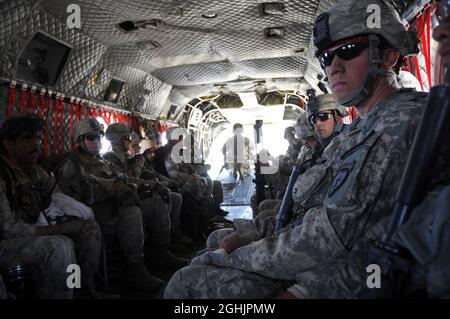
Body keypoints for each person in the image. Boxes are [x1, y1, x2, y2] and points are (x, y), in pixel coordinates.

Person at [164, 0, 427, 299]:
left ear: (389, 57)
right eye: (327, 57)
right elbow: (313, 209)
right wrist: (251, 235)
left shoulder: (400, 122)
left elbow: (334, 234)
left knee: (187, 282)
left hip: (353, 278)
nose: (334, 67)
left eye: (350, 50)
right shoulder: (363, 129)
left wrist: (243, 259)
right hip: (337, 267)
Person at [54, 118, 166, 292]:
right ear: (80, 141)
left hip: (114, 209)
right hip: (95, 216)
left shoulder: (101, 161)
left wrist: (149, 185)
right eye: (91, 137)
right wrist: (113, 189)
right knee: (132, 213)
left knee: (155, 203)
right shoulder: (72, 166)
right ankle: (134, 268)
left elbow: (125, 179)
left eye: (99, 136)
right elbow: (83, 193)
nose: (97, 141)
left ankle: (160, 252)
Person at [0, 116, 102, 298]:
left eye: (38, 138)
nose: (36, 145)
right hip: (6, 244)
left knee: (89, 228)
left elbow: (57, 194)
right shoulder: (3, 176)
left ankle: (82, 287)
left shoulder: (33, 170)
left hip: (34, 230)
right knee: (59, 244)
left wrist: (75, 218)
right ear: (8, 144)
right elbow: (10, 230)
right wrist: (60, 228)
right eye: (27, 139)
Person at [102, 123, 190, 264]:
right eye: (127, 138)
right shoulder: (109, 158)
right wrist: (150, 183)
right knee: (157, 203)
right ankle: (159, 251)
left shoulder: (128, 157)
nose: (130, 141)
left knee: (173, 196)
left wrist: (163, 182)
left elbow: (147, 173)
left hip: (137, 195)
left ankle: (170, 239)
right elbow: (126, 179)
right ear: (118, 140)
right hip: (122, 203)